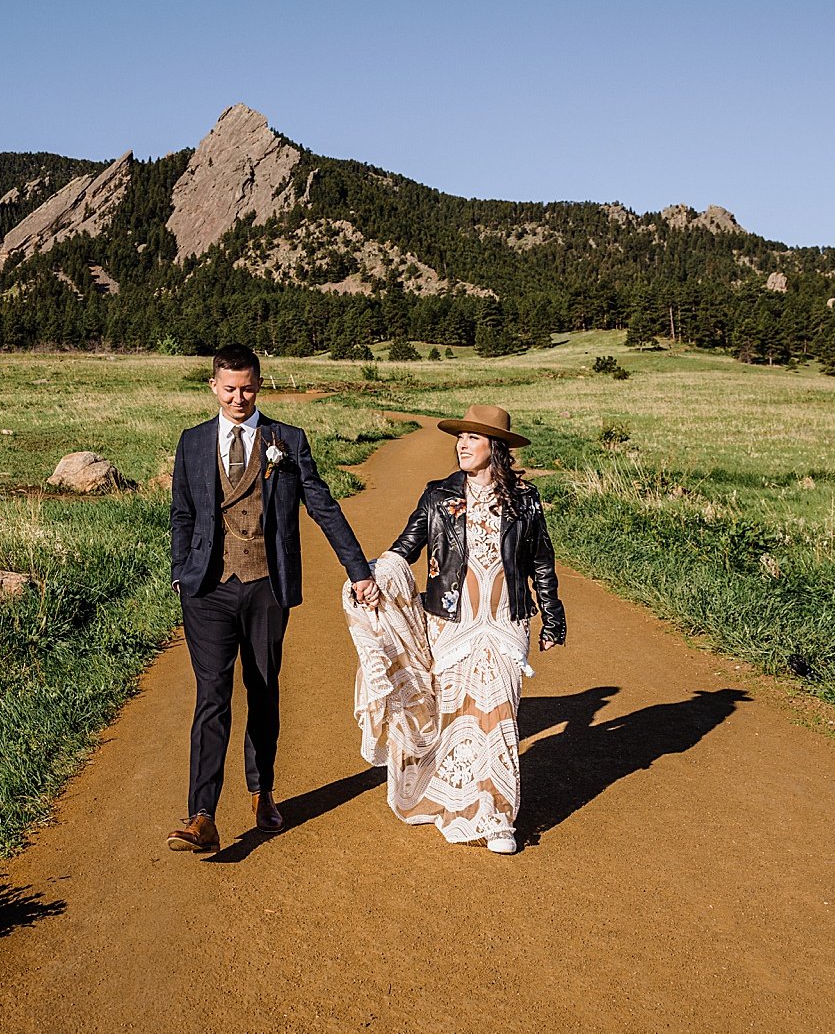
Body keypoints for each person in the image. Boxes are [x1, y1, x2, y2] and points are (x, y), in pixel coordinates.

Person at [167, 344, 380, 854]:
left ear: (259, 387)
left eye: (248, 388)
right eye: (229, 388)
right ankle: (202, 815)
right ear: (213, 387)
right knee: (211, 699)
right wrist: (180, 571)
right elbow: (182, 512)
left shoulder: (287, 440)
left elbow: (323, 507)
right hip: (207, 591)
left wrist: (359, 571)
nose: (239, 397)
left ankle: (262, 792)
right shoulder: (193, 442)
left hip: (267, 587)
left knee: (262, 692)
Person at [346, 403, 566, 854]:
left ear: (496, 448)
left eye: (474, 438)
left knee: (500, 714)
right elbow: (406, 547)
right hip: (452, 624)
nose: (463, 445)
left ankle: (497, 817)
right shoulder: (437, 496)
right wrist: (370, 576)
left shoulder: (526, 500)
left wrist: (552, 616)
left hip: (507, 622)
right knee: (457, 714)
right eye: (461, 437)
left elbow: (541, 560)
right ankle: (457, 802)